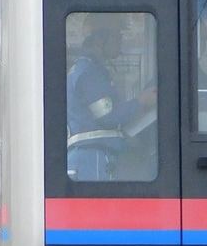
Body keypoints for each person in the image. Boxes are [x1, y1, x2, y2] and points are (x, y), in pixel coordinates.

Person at [66, 27, 156, 181]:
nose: (121, 41)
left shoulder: (87, 69)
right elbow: (107, 115)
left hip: (93, 158)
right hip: (94, 160)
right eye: (117, 36)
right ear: (99, 40)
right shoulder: (90, 72)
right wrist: (141, 101)